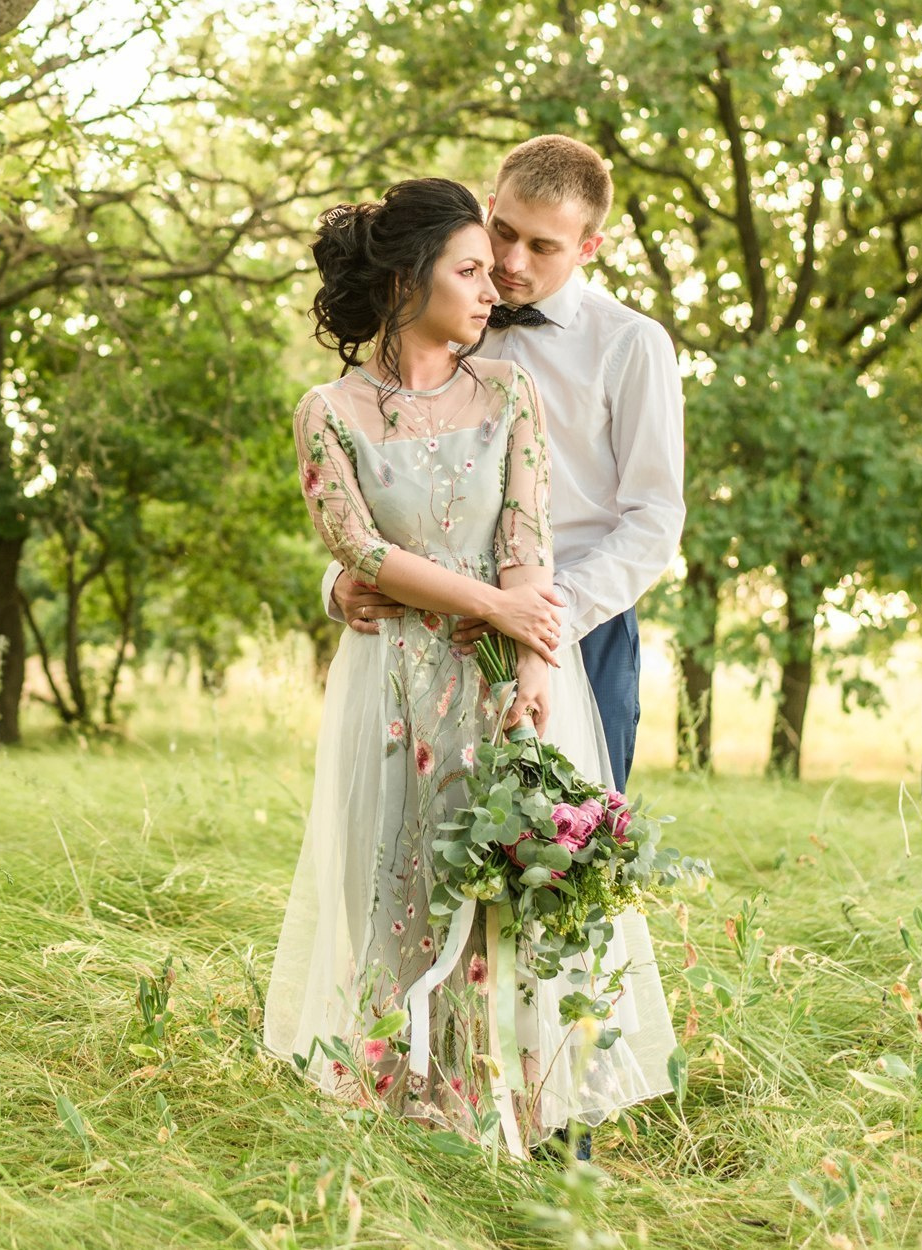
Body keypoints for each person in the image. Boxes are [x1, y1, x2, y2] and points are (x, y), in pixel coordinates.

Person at [263, 175, 675, 1151]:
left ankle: (526, 1123)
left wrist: (533, 658)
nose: (502, 280)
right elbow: (355, 550)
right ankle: (393, 1118)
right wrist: (421, 598)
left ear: (586, 247)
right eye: (484, 258)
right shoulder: (330, 410)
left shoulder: (547, 374)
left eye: (524, 256)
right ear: (414, 278)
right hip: (396, 680)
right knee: (394, 887)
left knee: (527, 882)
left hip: (550, 647)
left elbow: (561, 531)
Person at [321, 136, 685, 791]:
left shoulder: (630, 345)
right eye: (503, 231)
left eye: (543, 246)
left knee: (560, 857)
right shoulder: (442, 309)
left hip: (578, 622)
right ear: (488, 208)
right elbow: (374, 467)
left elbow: (654, 518)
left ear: (588, 248)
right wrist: (340, 579)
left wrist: (540, 619)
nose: (512, 262)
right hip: (432, 625)